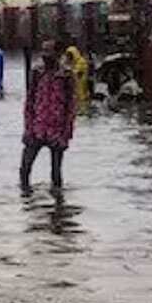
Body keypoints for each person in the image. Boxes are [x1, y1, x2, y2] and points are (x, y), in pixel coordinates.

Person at [21, 38, 77, 194]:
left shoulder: (66, 75)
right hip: (36, 127)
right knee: (25, 168)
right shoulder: (36, 72)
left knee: (56, 173)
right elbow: (30, 100)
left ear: (58, 53)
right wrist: (28, 126)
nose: (45, 55)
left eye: (49, 51)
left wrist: (67, 132)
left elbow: (71, 105)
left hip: (57, 130)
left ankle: (58, 205)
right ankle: (26, 200)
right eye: (43, 50)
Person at [62, 35, 90, 110]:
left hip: (80, 82)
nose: (68, 57)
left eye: (69, 55)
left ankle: (83, 109)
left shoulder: (81, 61)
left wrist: (69, 71)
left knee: (81, 95)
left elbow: (77, 71)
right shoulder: (72, 62)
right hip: (74, 83)